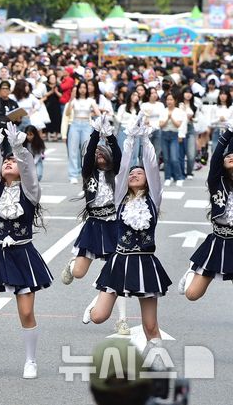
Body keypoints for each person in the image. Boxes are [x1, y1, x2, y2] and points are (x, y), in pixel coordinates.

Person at [84, 115, 171, 367]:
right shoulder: (120, 195)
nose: (134, 174)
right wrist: (130, 140)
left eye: (138, 173)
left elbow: (152, 167)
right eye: (132, 172)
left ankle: (155, 364)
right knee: (99, 317)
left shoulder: (154, 199)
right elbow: (121, 169)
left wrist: (144, 139)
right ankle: (96, 300)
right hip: (119, 261)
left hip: (145, 263)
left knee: (150, 325)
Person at [0, 122, 53, 380]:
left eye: (12, 161)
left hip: (22, 254)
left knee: (26, 312)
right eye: (6, 161)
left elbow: (28, 171)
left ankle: (31, 360)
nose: (9, 163)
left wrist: (18, 148)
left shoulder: (30, 192)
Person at [60, 115, 128, 334]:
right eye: (97, 153)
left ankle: (122, 320)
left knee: (117, 274)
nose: (99, 154)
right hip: (94, 224)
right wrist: (94, 135)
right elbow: (88, 156)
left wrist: (109, 137)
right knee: (79, 273)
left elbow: (118, 156)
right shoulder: (88, 173)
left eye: (102, 152)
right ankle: (71, 265)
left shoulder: (117, 174)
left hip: (114, 225)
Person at [179, 118, 233, 300]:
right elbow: (217, 158)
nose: (230, 157)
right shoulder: (217, 183)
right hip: (218, 241)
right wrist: (228, 134)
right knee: (192, 295)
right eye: (228, 157)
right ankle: (192, 271)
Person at [62, 82, 101, 184]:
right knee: (73, 150)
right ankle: (73, 175)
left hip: (86, 125)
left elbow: (98, 113)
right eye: (81, 87)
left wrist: (96, 115)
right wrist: (71, 99)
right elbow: (67, 113)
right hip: (75, 124)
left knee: (87, 151)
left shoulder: (91, 100)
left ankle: (86, 174)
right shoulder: (74, 100)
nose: (83, 89)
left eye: (85, 87)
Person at [158, 93, 185, 187]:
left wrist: (171, 117)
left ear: (175, 101)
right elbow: (161, 125)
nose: (169, 101)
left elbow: (178, 125)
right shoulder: (163, 111)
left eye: (171, 99)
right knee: (166, 158)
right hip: (164, 135)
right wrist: (167, 118)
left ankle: (179, 177)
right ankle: (167, 177)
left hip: (174, 135)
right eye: (168, 100)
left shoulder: (178, 111)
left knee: (174, 158)